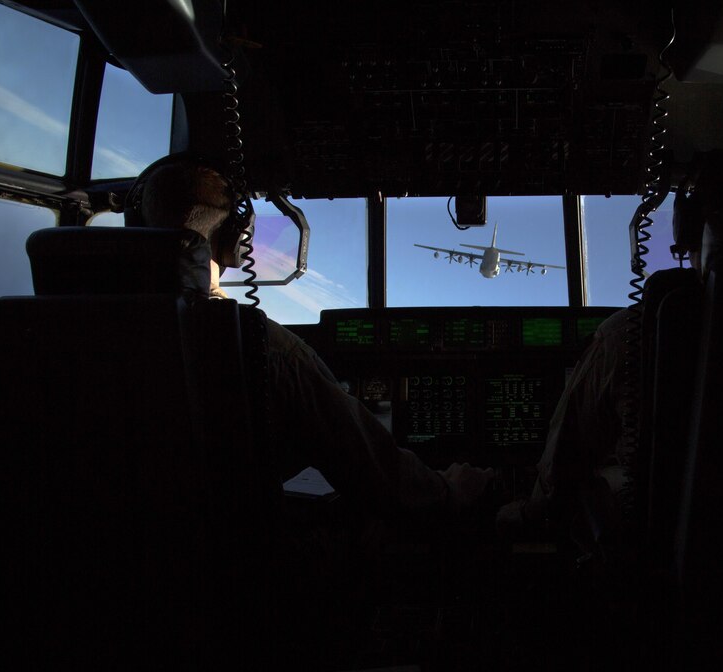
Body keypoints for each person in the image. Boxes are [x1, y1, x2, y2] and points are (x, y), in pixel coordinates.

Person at [131, 154, 493, 517]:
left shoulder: (97, 327)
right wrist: (449, 489)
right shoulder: (261, 346)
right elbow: (371, 470)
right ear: (235, 239)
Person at [498, 147, 723, 539]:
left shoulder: (636, 332)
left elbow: (565, 464)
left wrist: (528, 515)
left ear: (687, 226)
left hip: (672, 561)